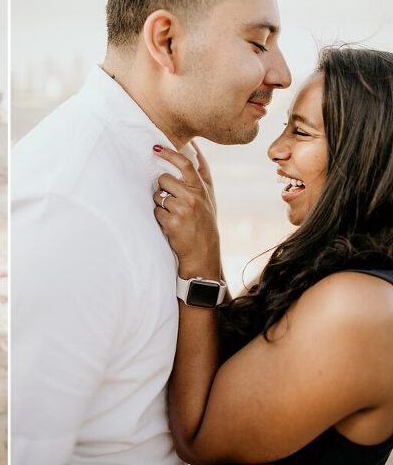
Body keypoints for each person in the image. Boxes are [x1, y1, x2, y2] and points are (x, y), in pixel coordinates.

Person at [11, 0, 291, 464]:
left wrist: (206, 265)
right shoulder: (65, 207)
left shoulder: (169, 165)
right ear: (166, 41)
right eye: (258, 43)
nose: (281, 73)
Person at [153, 46, 393, 464]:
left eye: (301, 133)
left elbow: (199, 442)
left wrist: (202, 265)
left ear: (364, 156)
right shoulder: (333, 268)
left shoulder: (359, 307)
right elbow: (235, 367)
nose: (275, 150)